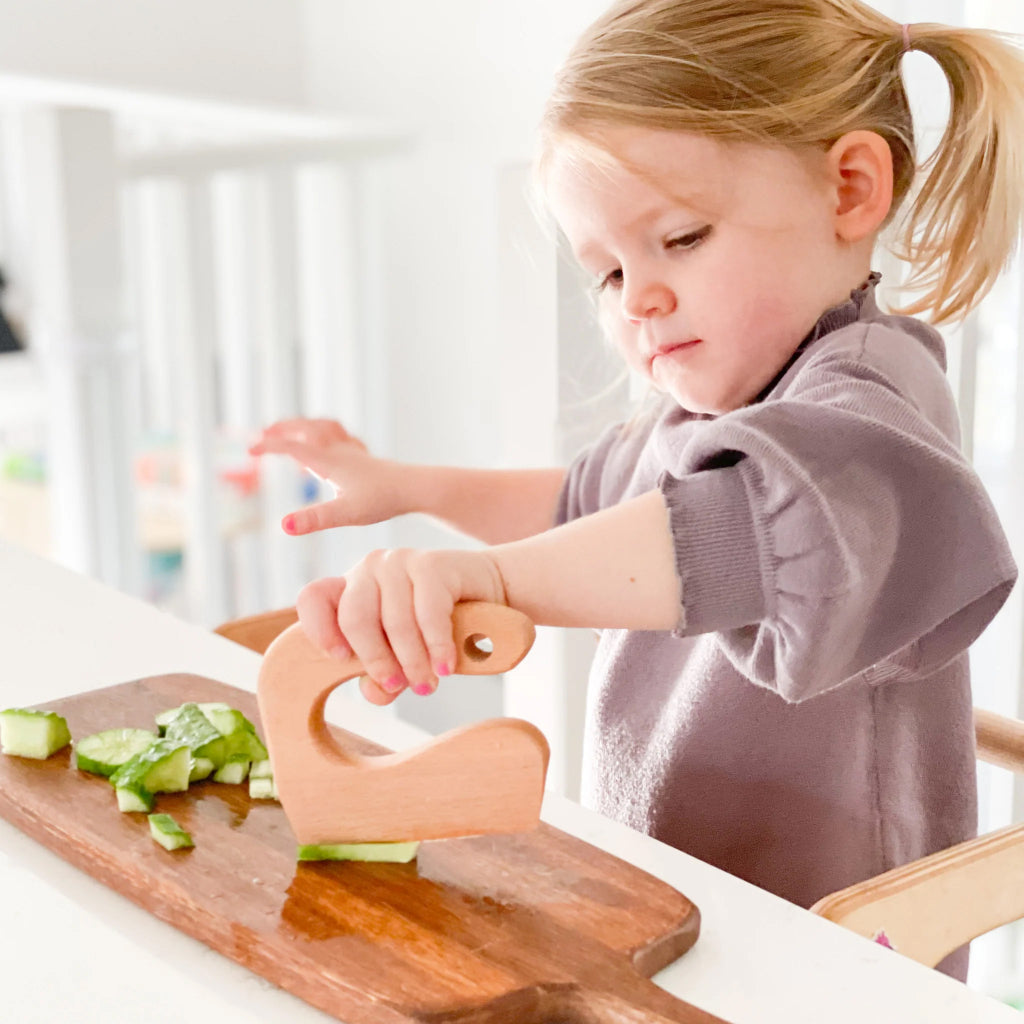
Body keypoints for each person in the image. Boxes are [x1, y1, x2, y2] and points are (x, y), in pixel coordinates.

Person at [250, 0, 1023, 978]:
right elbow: (581, 507)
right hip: (691, 900)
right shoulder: (709, 405)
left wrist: (483, 576)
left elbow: (724, 535)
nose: (639, 298)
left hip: (829, 947)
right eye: (608, 272)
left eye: (682, 238)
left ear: (851, 188)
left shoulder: (866, 409)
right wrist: (411, 484)